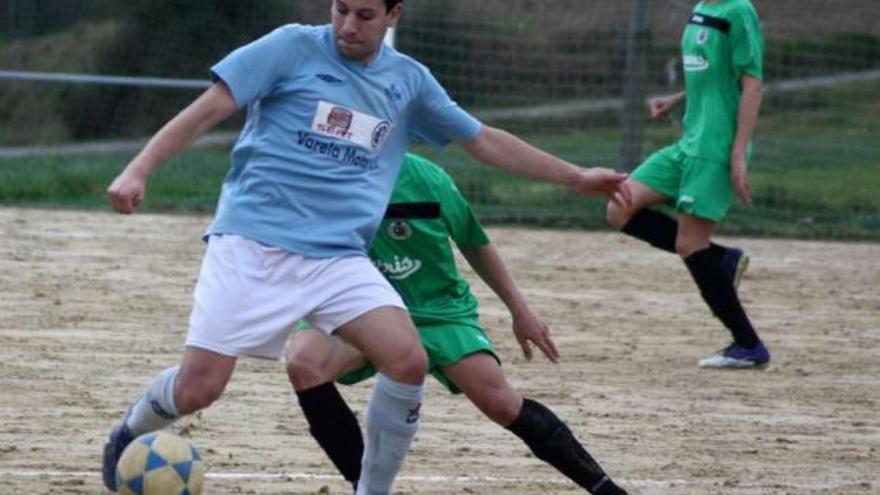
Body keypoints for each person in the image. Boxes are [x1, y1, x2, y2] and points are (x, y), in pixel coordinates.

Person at [101, 0, 631, 493]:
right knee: (199, 389)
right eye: (340, 9)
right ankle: (129, 433)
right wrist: (138, 169)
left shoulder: (408, 82)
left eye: (365, 15)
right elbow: (208, 108)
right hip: (252, 244)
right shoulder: (290, 47)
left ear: (393, 15)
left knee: (406, 359)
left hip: (337, 257)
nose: (349, 26)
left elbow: (483, 139)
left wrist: (575, 177)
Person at [287, 153, 628, 495]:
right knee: (305, 362)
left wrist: (520, 309)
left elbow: (474, 242)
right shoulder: (324, 178)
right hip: (363, 309)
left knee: (501, 403)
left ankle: (605, 488)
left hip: (437, 310)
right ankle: (364, 486)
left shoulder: (428, 179)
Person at [606, 0, 770, 369]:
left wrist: (738, 152)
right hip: (689, 141)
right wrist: (676, 99)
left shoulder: (738, 11)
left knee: (688, 243)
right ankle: (720, 260)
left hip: (715, 145)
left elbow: (752, 83)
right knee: (620, 206)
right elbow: (714, 76)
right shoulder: (703, 7)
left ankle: (748, 345)